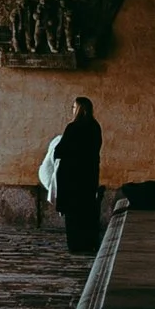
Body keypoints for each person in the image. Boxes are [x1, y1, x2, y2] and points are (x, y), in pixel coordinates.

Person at [53, 96, 105, 253]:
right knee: (87, 210)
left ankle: (76, 245)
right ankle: (89, 243)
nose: (72, 110)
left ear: (80, 109)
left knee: (73, 214)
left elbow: (60, 151)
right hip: (88, 176)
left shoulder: (73, 128)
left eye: (74, 107)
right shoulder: (95, 127)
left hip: (72, 178)